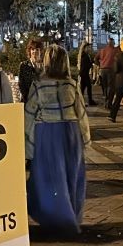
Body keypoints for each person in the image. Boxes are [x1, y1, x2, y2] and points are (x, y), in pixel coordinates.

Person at [24, 44, 91, 235]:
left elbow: (29, 115)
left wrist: (28, 145)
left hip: (46, 132)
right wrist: (86, 138)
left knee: (48, 176)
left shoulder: (38, 85)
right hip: (70, 132)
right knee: (71, 174)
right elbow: (81, 113)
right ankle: (71, 215)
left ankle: (53, 217)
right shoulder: (71, 84)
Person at [97, 37, 118, 107]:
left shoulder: (102, 50)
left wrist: (100, 65)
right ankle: (108, 103)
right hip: (110, 70)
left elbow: (95, 58)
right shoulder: (114, 50)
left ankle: (106, 100)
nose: (114, 44)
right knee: (110, 86)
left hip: (102, 70)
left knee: (105, 86)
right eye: (114, 42)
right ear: (111, 43)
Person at [77, 42, 96, 106]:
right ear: (85, 48)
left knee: (85, 88)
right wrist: (91, 63)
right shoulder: (84, 55)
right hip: (84, 74)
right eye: (88, 48)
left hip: (84, 74)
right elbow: (86, 65)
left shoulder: (84, 55)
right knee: (86, 88)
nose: (89, 49)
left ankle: (85, 101)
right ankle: (86, 101)